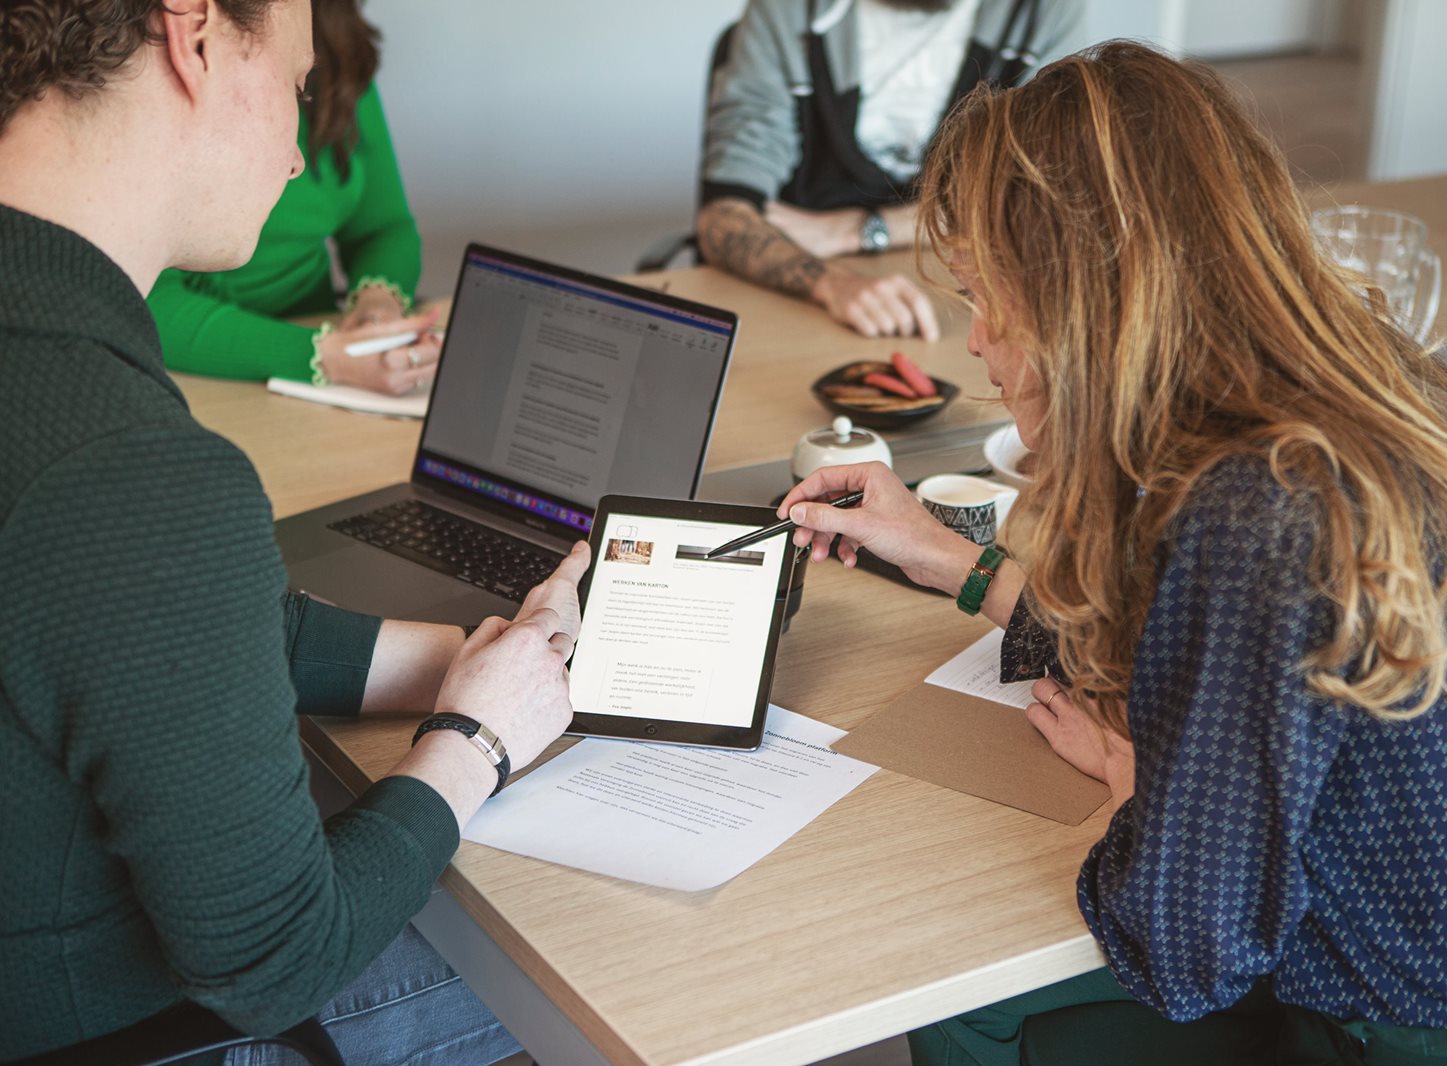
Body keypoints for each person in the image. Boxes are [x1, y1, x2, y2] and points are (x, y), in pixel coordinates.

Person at [779, 43, 1447, 1065]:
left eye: (988, 297)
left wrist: (1142, 801)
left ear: (1085, 303)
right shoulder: (1346, 382)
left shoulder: (1255, 510)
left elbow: (1179, 950)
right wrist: (962, 562)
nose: (977, 343)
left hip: (1425, 1024)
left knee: (963, 987)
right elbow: (1204, 669)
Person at [0, 2, 588, 1061]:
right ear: (196, 39)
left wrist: (474, 663)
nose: (294, 147)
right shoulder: (130, 467)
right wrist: (477, 744)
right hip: (127, 1031)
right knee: (582, 957)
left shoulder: (48, 366)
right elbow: (275, 958)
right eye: (300, 82)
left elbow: (145, 631)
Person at [696, 0, 1084, 341]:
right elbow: (723, 216)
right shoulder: (789, 10)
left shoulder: (1040, 9)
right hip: (809, 303)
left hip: (967, 302)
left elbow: (1042, 199)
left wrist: (861, 230)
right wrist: (830, 283)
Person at [146, 0, 441, 396]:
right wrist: (322, 357)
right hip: (199, 371)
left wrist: (375, 305)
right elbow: (140, 298)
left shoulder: (340, 55)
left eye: (299, 89)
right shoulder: (171, 67)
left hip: (325, 346)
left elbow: (384, 228)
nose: (294, 164)